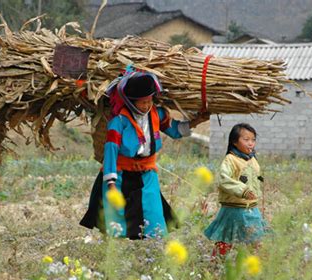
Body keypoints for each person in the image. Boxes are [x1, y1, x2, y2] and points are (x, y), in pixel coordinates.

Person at [80, 70, 209, 239]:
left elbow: (175, 130)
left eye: (150, 101)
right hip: (120, 174)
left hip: (147, 173)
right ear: (131, 102)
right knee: (117, 216)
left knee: (153, 211)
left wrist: (197, 121)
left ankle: (153, 247)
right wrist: (110, 183)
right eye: (142, 102)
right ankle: (116, 251)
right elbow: (110, 151)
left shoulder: (158, 114)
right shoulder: (118, 122)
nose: (147, 105)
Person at [204, 123, 267, 256]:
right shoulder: (230, 160)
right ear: (234, 141)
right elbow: (224, 180)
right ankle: (216, 267)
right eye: (246, 139)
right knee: (225, 240)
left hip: (251, 208)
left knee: (255, 239)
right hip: (233, 209)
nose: (250, 143)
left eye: (253, 140)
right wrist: (243, 190)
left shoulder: (252, 159)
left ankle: (254, 267)